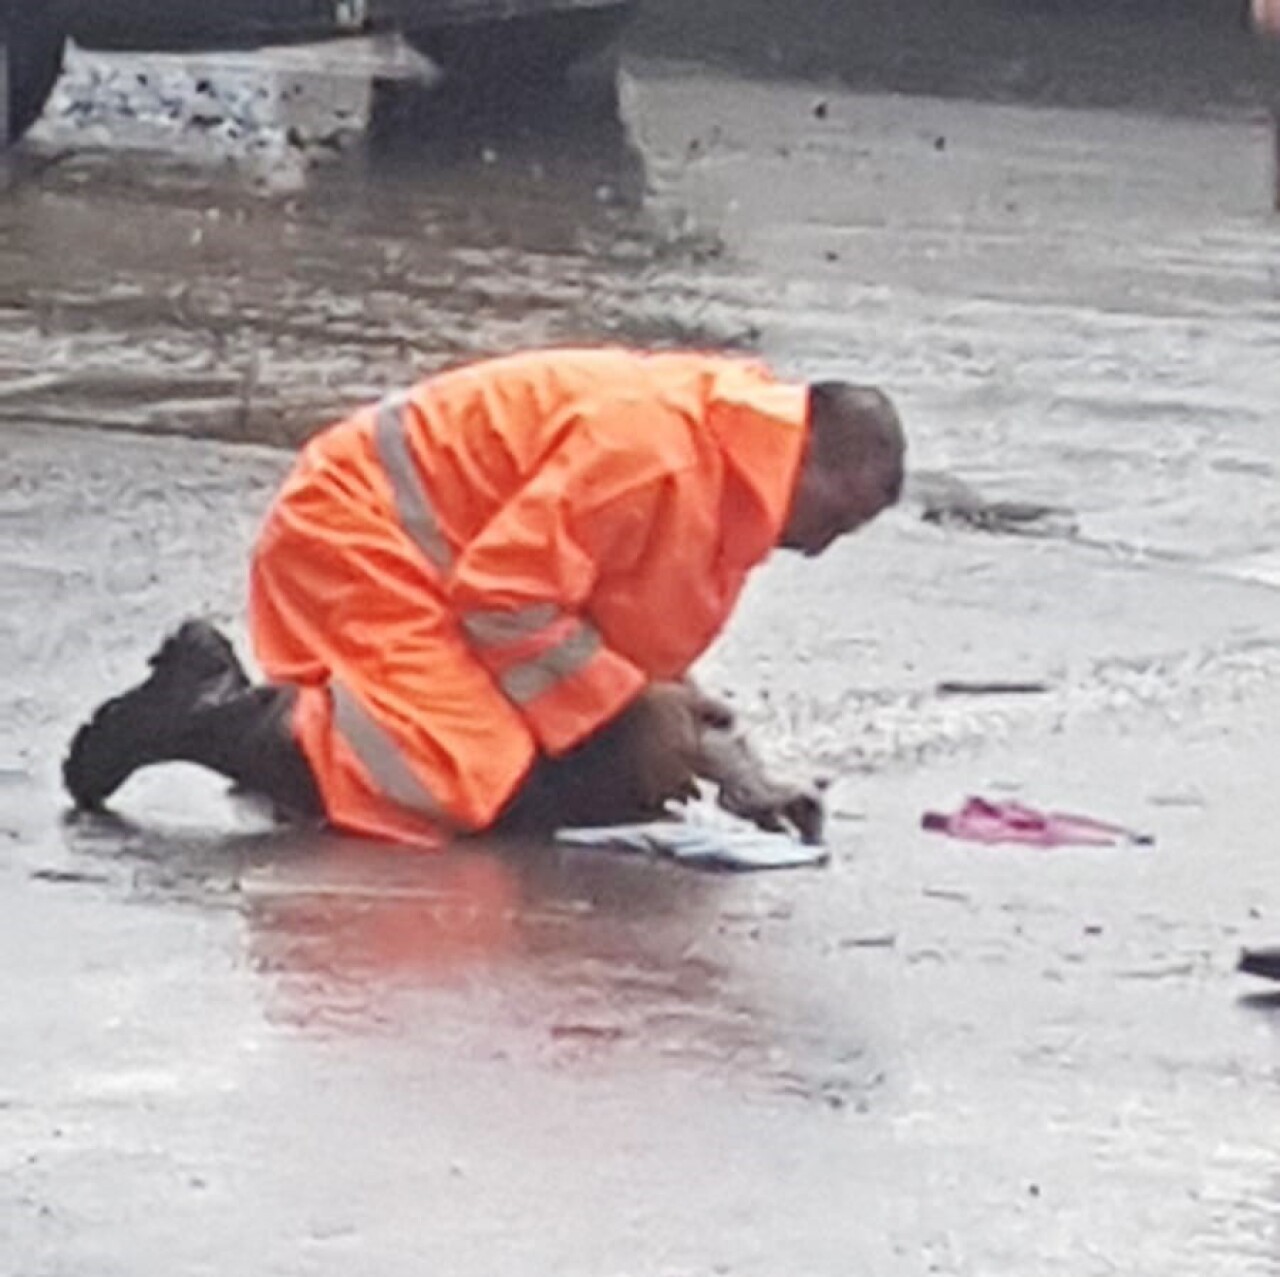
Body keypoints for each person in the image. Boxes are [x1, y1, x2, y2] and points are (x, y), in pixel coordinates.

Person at [63, 346, 905, 848]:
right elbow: (509, 600)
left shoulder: (733, 473)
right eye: (835, 514)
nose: (825, 545)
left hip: (441, 569)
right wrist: (633, 710)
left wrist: (735, 772)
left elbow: (630, 658)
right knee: (454, 777)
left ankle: (312, 749)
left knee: (616, 776)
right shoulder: (658, 456)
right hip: (359, 537)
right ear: (806, 462)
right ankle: (207, 707)